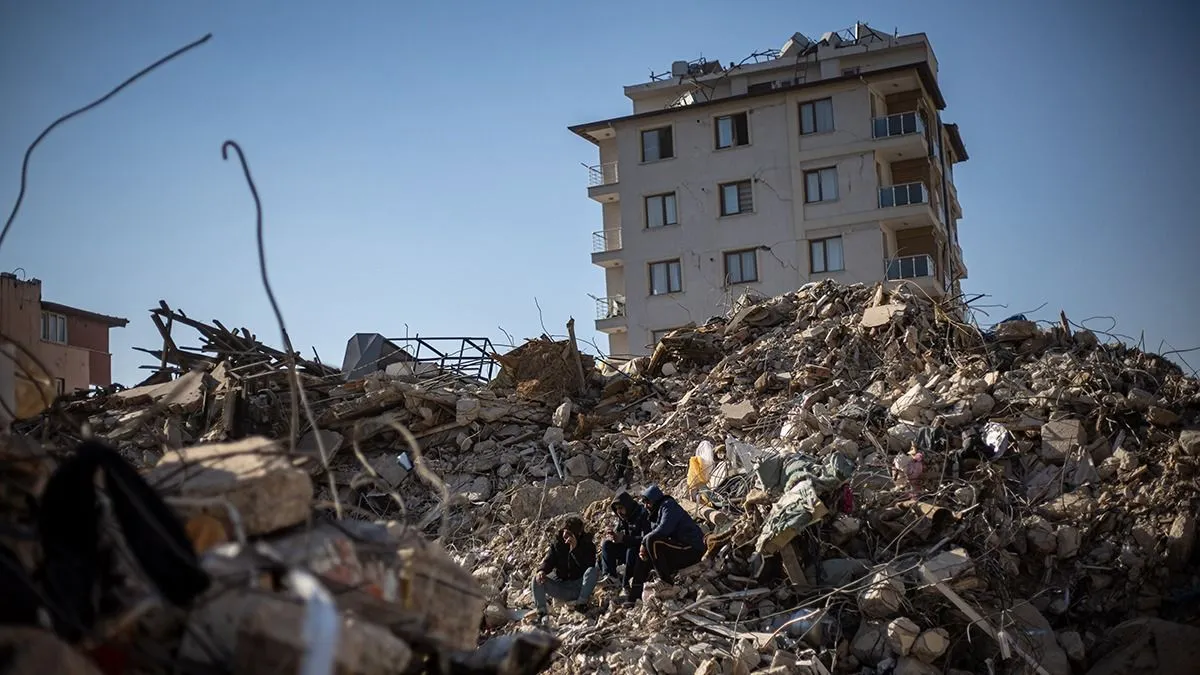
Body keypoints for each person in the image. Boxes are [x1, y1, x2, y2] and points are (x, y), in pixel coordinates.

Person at [624, 484, 706, 605]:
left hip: (692, 548)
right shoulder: (656, 514)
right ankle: (634, 597)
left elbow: (664, 529)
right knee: (643, 552)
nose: (646, 506)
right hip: (679, 549)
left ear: (655, 499)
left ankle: (666, 582)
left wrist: (643, 543)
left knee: (652, 541)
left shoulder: (668, 505)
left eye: (648, 502)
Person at [531, 516, 598, 621]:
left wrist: (575, 550)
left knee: (593, 571)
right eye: (564, 532)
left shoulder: (588, 545)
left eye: (569, 533)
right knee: (537, 579)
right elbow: (549, 561)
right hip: (561, 586)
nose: (565, 536)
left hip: (578, 588)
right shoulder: (558, 544)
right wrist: (542, 571)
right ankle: (542, 613)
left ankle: (581, 604)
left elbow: (587, 567)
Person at [600, 492, 651, 591]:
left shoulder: (642, 514)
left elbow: (646, 539)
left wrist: (624, 539)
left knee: (630, 551)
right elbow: (620, 532)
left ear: (627, 506)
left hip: (641, 552)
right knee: (607, 545)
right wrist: (614, 537)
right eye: (617, 509)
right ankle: (611, 577)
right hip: (627, 549)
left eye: (621, 508)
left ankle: (627, 584)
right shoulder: (623, 518)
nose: (619, 511)